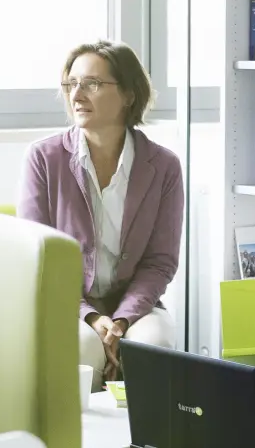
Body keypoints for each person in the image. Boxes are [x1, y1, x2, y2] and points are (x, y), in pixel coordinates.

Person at [16, 39, 185, 391]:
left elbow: (159, 262)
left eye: (92, 84)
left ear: (128, 94)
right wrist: (91, 317)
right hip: (65, 305)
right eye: (71, 83)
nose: (76, 94)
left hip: (135, 307)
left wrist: (121, 320)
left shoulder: (164, 166)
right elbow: (38, 261)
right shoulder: (43, 159)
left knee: (153, 347)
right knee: (82, 348)